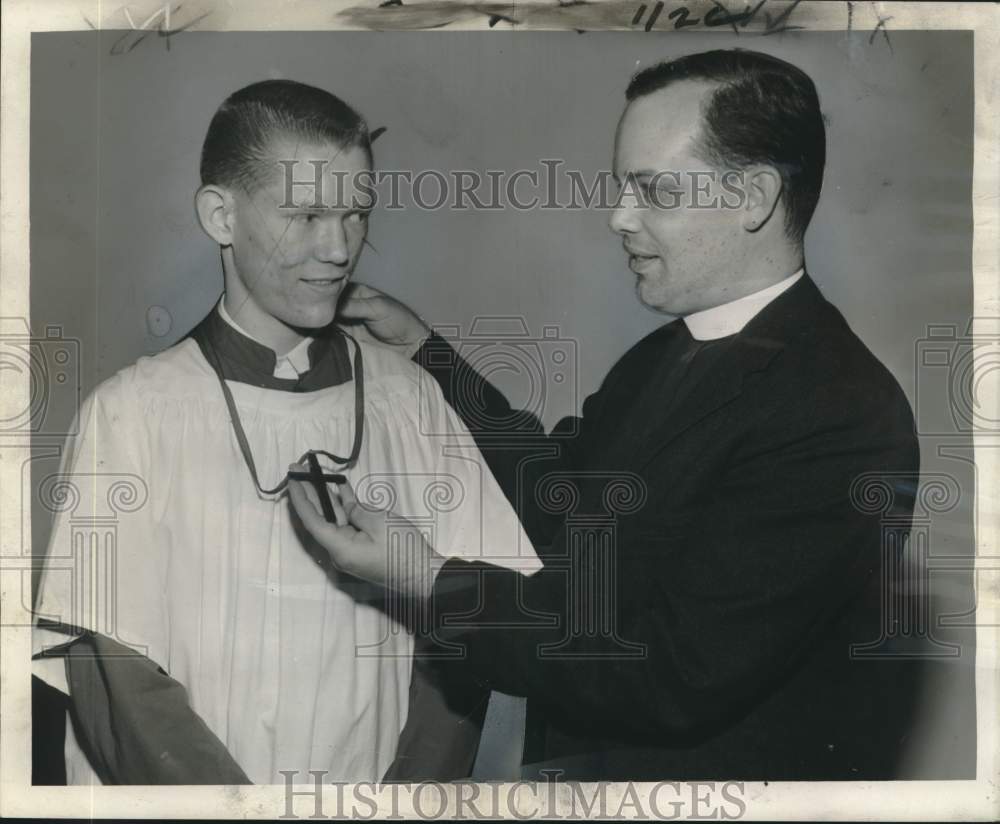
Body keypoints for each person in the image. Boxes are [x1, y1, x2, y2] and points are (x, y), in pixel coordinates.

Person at [290, 49, 925, 780]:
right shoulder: (664, 354)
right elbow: (561, 499)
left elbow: (669, 672)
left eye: (653, 190)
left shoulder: (841, 411)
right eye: (622, 187)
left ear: (753, 198)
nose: (618, 217)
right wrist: (426, 352)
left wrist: (427, 578)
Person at [31, 79, 538, 784]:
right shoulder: (132, 413)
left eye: (356, 214)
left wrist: (403, 800)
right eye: (305, 215)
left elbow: (466, 628)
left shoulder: (411, 398)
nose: (339, 248)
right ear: (221, 216)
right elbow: (114, 672)